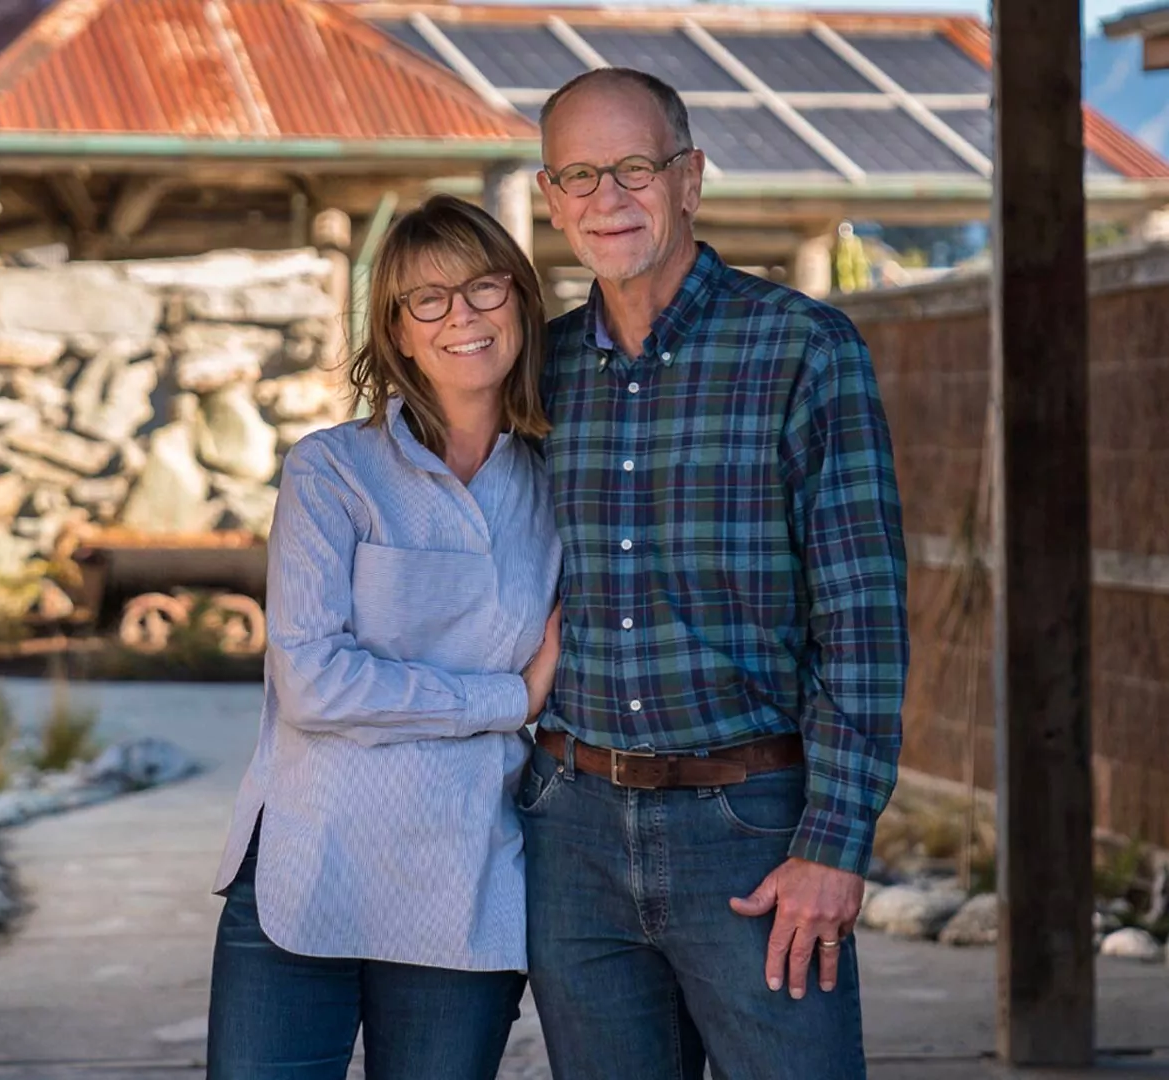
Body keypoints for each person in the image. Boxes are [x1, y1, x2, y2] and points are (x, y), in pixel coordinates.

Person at [524, 68, 909, 1080]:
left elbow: (862, 616)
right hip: (574, 833)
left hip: (752, 830)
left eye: (635, 167)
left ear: (689, 178)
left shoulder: (802, 349)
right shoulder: (539, 370)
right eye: (579, 175)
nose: (607, 198)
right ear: (548, 196)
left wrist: (834, 842)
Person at [206, 194, 562, 1080]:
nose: (462, 318)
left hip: (465, 879)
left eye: (483, 289)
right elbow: (315, 683)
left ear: (520, 300)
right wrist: (507, 697)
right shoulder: (332, 471)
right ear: (397, 333)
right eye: (427, 301)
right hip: (307, 867)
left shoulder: (562, 484)